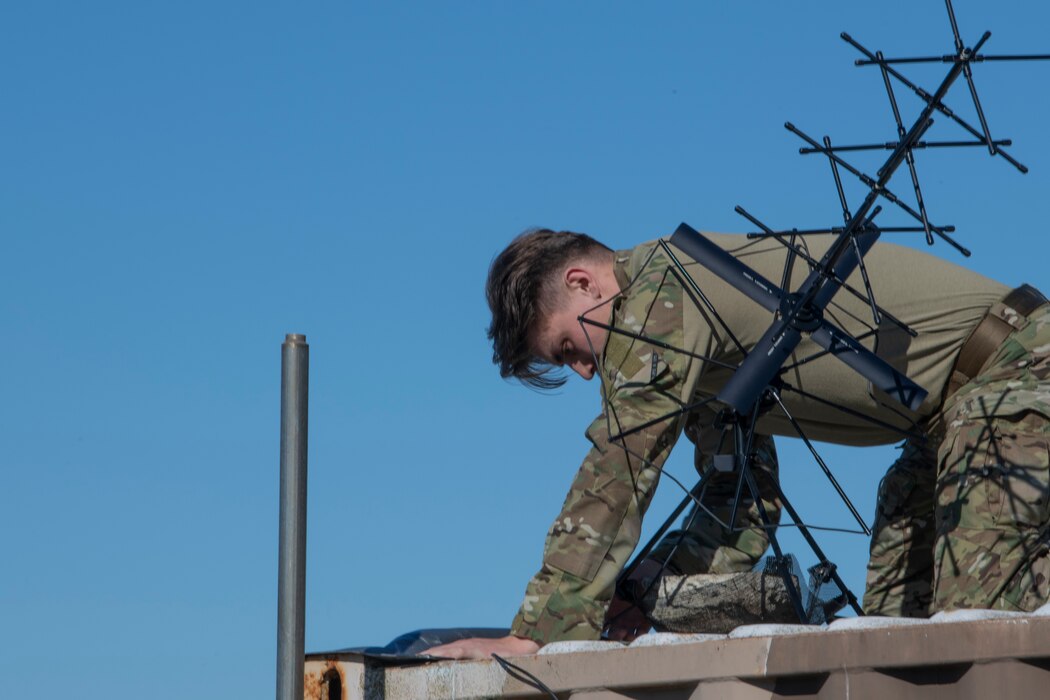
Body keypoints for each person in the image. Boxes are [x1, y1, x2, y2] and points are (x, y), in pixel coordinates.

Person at [427, 227, 1050, 660]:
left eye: (567, 348)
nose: (585, 372)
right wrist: (646, 588)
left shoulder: (663, 292)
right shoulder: (696, 346)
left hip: (1019, 370)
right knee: (894, 641)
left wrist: (538, 632)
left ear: (585, 282)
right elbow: (741, 501)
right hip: (954, 420)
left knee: (978, 632)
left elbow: (619, 461)